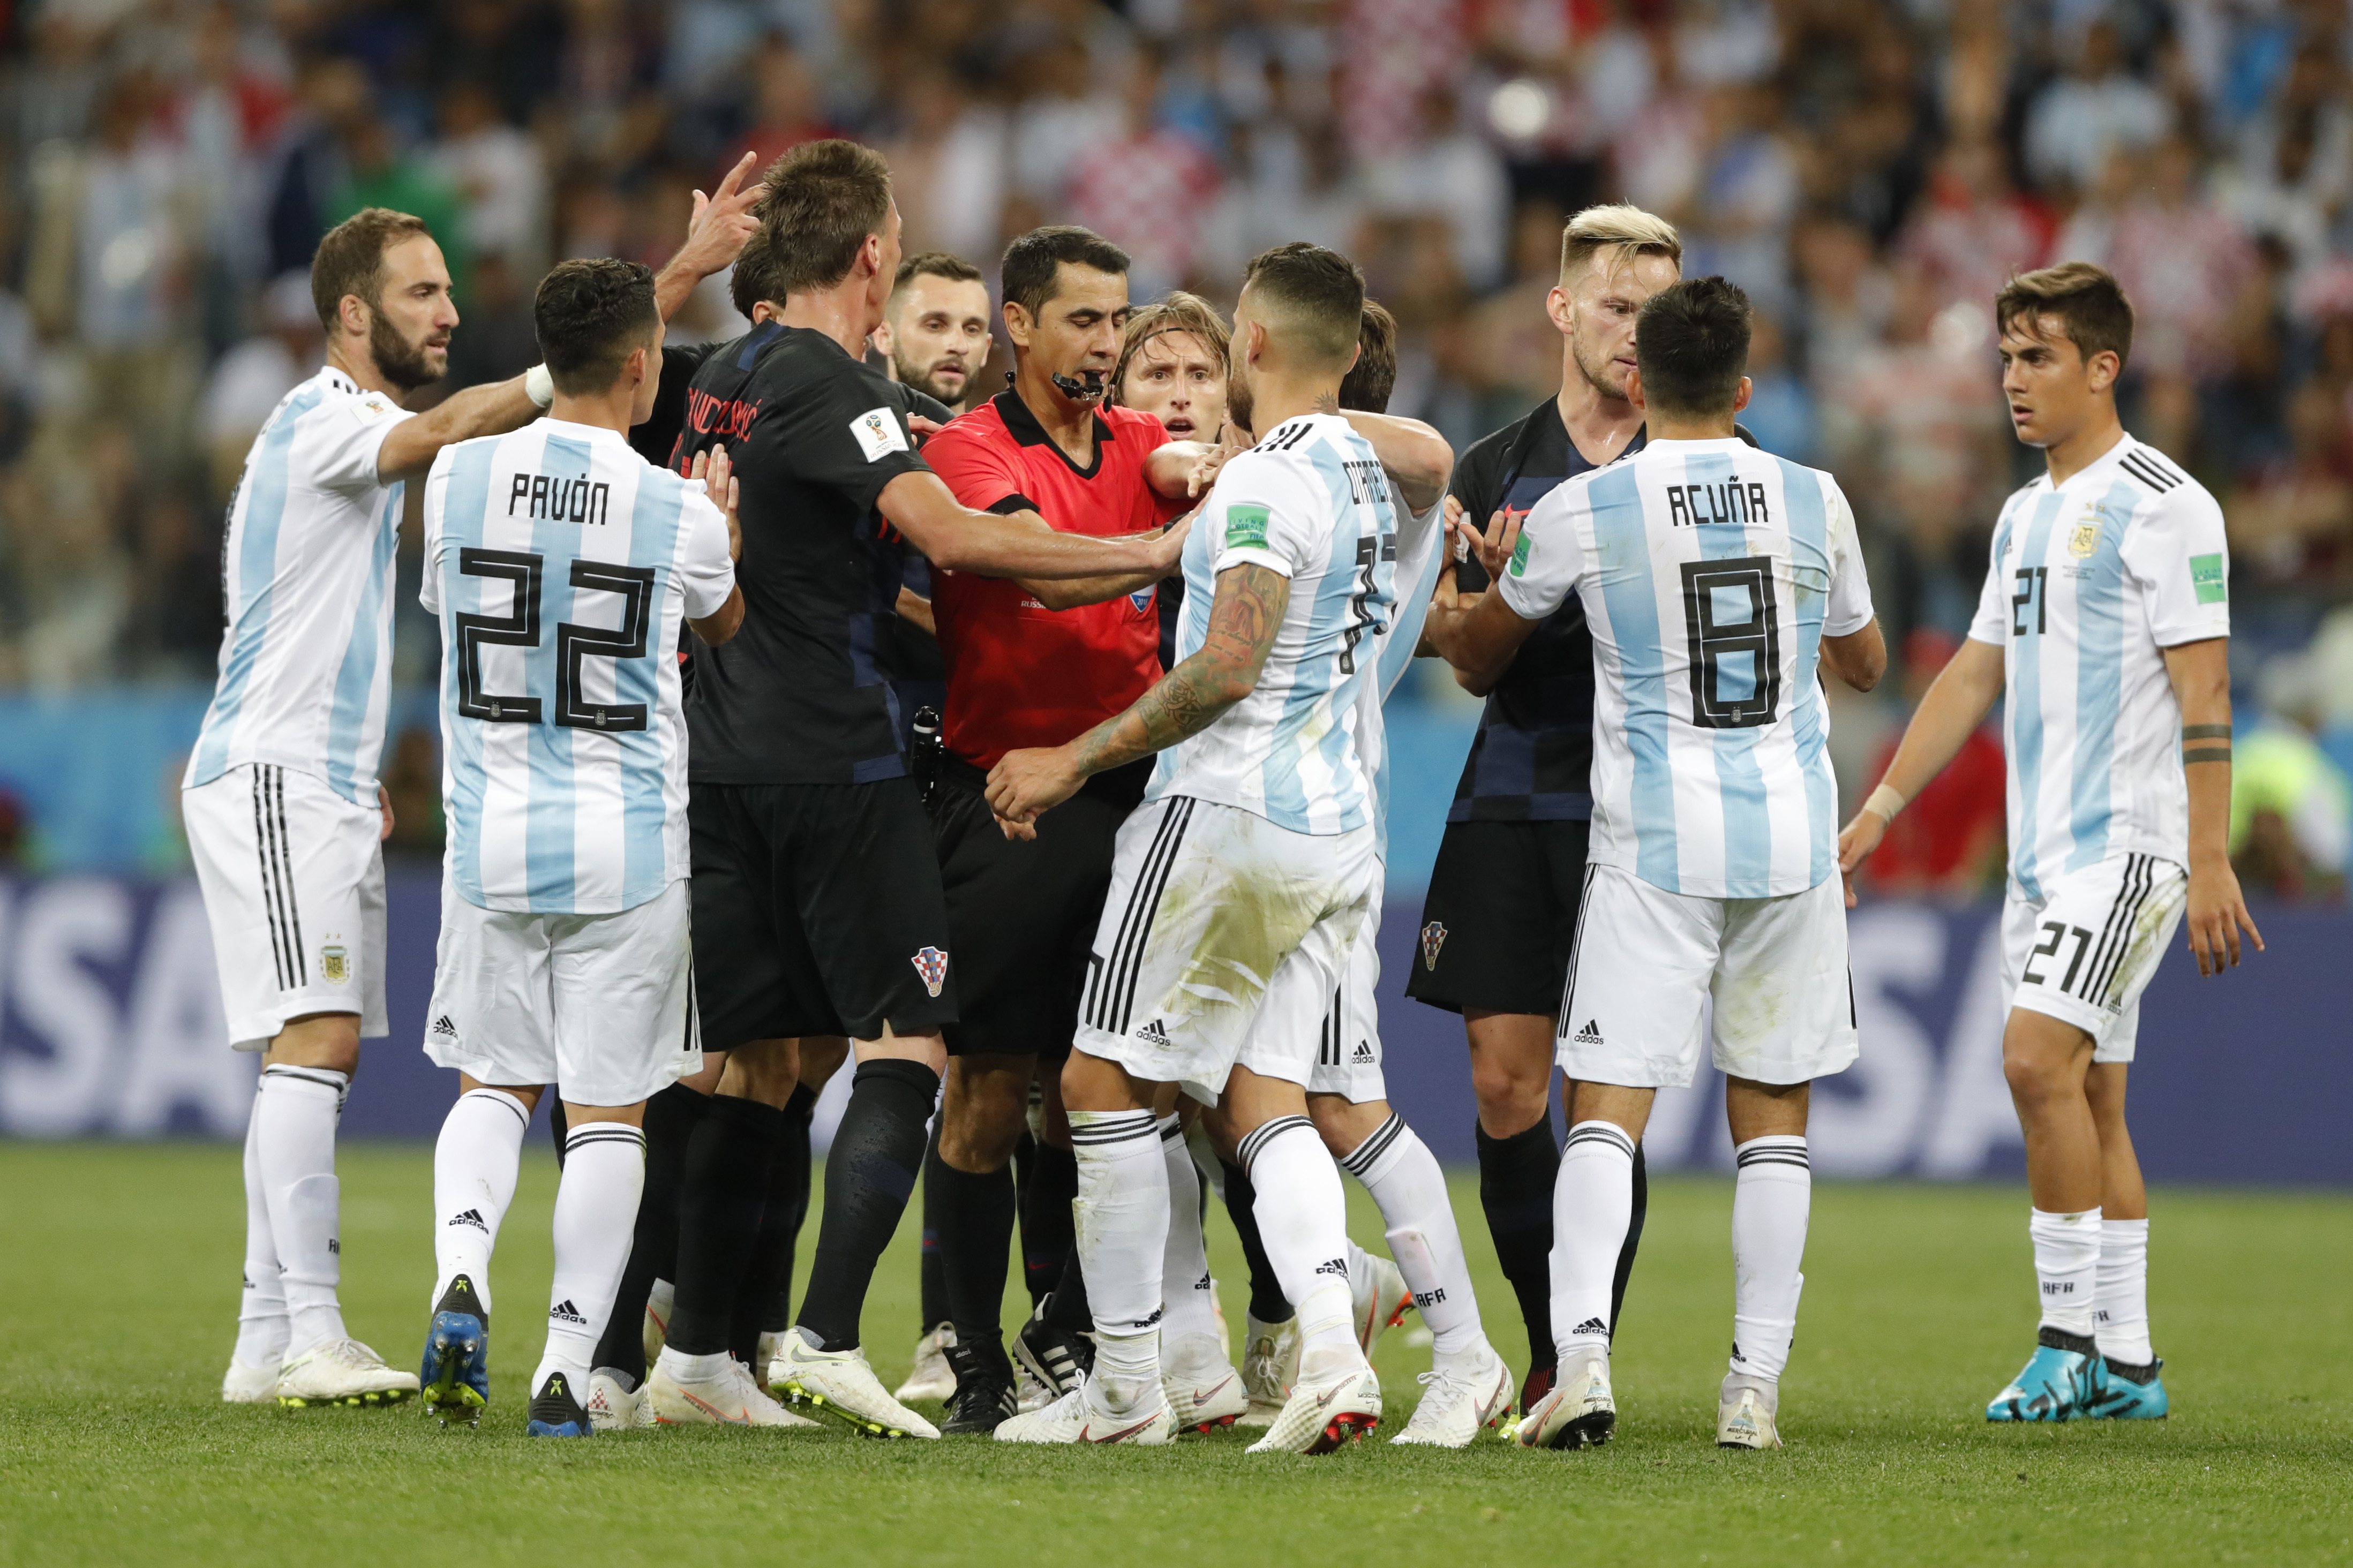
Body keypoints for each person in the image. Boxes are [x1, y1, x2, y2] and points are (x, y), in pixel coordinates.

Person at [640, 141, 1187, 1438]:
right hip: (838, 760)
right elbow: (952, 538)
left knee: (761, 1062)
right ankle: (827, 1334)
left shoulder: (725, 375)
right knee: (911, 1038)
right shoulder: (834, 385)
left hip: (725, 760)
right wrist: (1152, 547)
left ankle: (695, 1358)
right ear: (874, 256)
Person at [197, 184, 754, 1410]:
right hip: (334, 777)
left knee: (460, 1079)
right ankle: (354, 1335)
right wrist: (663, 294)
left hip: (445, 813)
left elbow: (520, 418)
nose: (449, 312)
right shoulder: (330, 418)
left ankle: (285, 1326)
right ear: (351, 315)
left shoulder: (460, 486)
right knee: (333, 1046)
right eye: (422, 291)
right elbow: (512, 406)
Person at [1439, 275, 1886, 1453]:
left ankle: (1579, 1361)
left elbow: (1487, 644)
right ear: (1745, 388)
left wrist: (1476, 583)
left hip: (1654, 845)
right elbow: (1868, 663)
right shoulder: (1815, 497)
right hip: (1791, 844)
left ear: (1641, 381)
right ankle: (1753, 1391)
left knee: (1606, 1112)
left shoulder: (1589, 507)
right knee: (1774, 1123)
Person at [984, 242, 1400, 1453]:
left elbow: (1226, 664)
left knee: (1096, 1085)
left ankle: (1123, 1392)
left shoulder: (1263, 480)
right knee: (1271, 1105)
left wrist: (1074, 758)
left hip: (1226, 813)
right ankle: (1327, 1347)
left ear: (1250, 350)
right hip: (1337, 824)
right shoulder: (1366, 472)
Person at [1837, 262, 2262, 1424]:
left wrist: (2210, 853)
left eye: (2038, 358)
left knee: (2029, 1062)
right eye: (2006, 356)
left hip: (2129, 847)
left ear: (2101, 368)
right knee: (2093, 1101)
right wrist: (1878, 811)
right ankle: (2128, 1366)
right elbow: (1975, 671)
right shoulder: (2025, 513)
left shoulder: (2165, 501)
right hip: (2041, 860)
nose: (2013, 380)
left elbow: (2207, 685)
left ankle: (2065, 1343)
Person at [411, 258, 745, 1437]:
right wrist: (730, 535)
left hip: (492, 829)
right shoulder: (678, 508)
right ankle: (563, 1364)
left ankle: (459, 1276)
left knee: (493, 1084)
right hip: (627, 843)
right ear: (647, 365)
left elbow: (457, 612)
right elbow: (723, 623)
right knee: (609, 1115)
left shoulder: (455, 478)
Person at [916, 225, 1209, 1434]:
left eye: (1117, 320)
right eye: (1083, 319)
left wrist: (1227, 473)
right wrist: (1156, 540)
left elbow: (1228, 464)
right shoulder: (970, 445)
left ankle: (1076, 1334)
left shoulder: (1148, 445)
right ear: (1020, 324)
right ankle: (964, 1347)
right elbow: (1032, 570)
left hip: (1132, 795)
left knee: (1102, 1085)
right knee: (991, 1086)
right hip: (1008, 798)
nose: (1105, 342)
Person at [1412, 204, 1680, 1418]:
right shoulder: (1491, 467)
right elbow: (1465, 658)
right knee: (1505, 1085)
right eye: (1619, 309)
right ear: (1563, 310)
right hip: (1516, 792)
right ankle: (1543, 1347)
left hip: (1646, 809)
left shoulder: (1693, 469)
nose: (1638, 334)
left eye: (1659, 315)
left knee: (1606, 1097)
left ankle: (1584, 1358)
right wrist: (1494, 595)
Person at [875, 251, 994, 411]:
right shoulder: (840, 434)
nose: (960, 346)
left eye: (972, 330)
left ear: (986, 348)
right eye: (935, 326)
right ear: (885, 337)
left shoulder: (1021, 437)